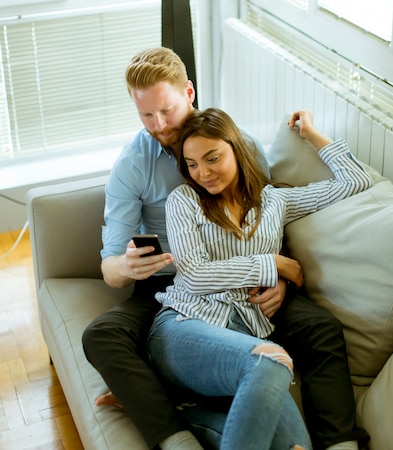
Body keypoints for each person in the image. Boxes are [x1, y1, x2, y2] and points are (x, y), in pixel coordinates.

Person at [147, 108, 373, 450]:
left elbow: (355, 180)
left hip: (248, 337)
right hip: (185, 326)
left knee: (297, 447)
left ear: (236, 149)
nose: (203, 173)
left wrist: (311, 134)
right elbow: (193, 275)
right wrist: (271, 264)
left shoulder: (274, 201)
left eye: (212, 158)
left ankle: (189, 413)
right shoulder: (184, 201)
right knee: (271, 361)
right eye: (192, 164)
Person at [82, 47, 271, 450]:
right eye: (146, 115)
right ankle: (176, 437)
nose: (160, 125)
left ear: (189, 91)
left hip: (238, 274)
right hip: (165, 285)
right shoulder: (133, 165)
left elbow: (270, 214)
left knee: (315, 327)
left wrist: (278, 277)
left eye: (166, 110)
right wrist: (127, 266)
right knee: (101, 335)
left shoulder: (237, 144)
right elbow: (109, 268)